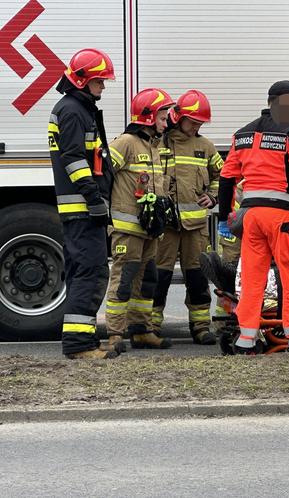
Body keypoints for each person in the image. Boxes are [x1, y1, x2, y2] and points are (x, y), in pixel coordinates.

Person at [217, 80, 289, 353]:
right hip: (283, 218)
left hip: (251, 216)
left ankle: (246, 338)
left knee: (251, 278)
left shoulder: (242, 135)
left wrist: (224, 215)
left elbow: (227, 178)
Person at [49, 48, 118, 359]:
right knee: (90, 272)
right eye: (99, 81)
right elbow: (74, 160)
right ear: (82, 81)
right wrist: (94, 199)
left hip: (81, 209)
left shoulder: (76, 108)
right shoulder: (73, 111)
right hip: (82, 209)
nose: (103, 87)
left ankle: (85, 342)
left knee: (85, 273)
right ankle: (78, 346)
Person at [105, 88, 175, 351]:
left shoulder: (154, 147)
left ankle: (141, 330)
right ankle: (114, 334)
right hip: (127, 229)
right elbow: (102, 173)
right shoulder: (125, 143)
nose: (166, 123)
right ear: (147, 116)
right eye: (163, 117)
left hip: (149, 231)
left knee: (146, 281)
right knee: (124, 279)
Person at [151, 90, 222, 345]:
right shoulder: (158, 142)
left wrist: (213, 197)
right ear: (178, 116)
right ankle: (152, 326)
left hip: (196, 228)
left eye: (200, 124)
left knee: (197, 278)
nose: (196, 128)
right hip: (166, 227)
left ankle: (201, 327)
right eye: (193, 122)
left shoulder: (205, 147)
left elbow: (223, 176)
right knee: (159, 278)